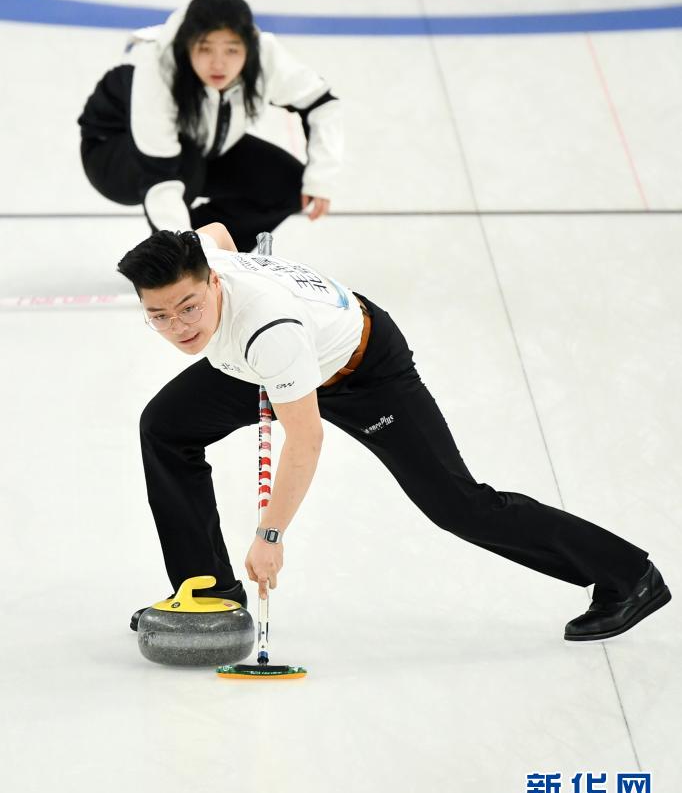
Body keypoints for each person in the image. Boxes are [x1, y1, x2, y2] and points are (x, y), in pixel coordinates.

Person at [117, 224, 671, 642]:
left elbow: (305, 441)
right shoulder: (203, 257)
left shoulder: (269, 330)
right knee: (166, 428)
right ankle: (209, 592)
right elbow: (214, 233)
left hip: (361, 372)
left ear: (215, 282)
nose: (179, 327)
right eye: (158, 316)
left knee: (457, 504)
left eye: (189, 306)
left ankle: (629, 575)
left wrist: (270, 536)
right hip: (275, 359)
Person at [79, 0, 341, 251]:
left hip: (202, 146)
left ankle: (212, 253)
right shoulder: (158, 67)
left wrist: (321, 175)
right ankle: (175, 258)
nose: (218, 63)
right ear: (187, 45)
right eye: (205, 48)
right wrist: (182, 258)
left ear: (249, 47)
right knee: (186, 166)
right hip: (112, 151)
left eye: (232, 50)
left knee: (287, 187)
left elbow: (321, 102)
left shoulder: (265, 57)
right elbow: (161, 178)